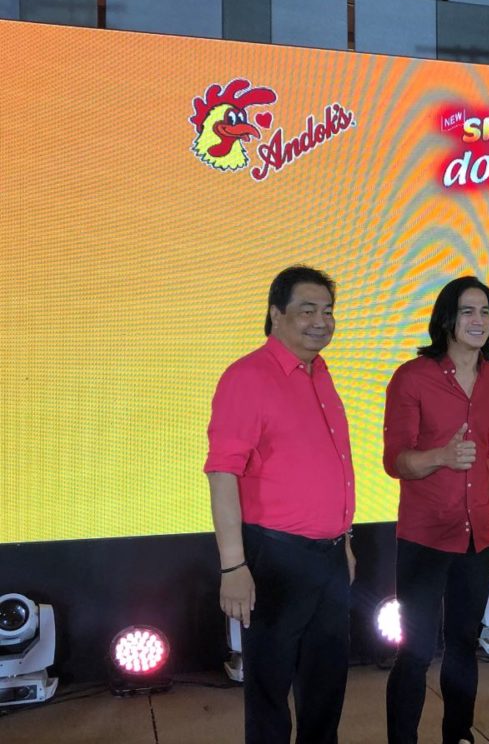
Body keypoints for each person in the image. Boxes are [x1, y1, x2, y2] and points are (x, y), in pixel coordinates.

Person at [205, 265, 356, 744]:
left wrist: (344, 542)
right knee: (270, 690)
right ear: (276, 314)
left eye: (328, 311)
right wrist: (234, 566)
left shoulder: (320, 373)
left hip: (329, 557)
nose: (321, 322)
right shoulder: (247, 377)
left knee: (326, 685)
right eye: (307, 310)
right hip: (275, 558)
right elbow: (222, 472)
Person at [382, 276, 489, 744]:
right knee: (415, 652)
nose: (478, 321)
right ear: (446, 319)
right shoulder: (412, 378)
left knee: (463, 646)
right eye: (467, 311)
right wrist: (441, 456)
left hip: (479, 536)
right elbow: (395, 461)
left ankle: (458, 735)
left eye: (485, 311)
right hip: (425, 538)